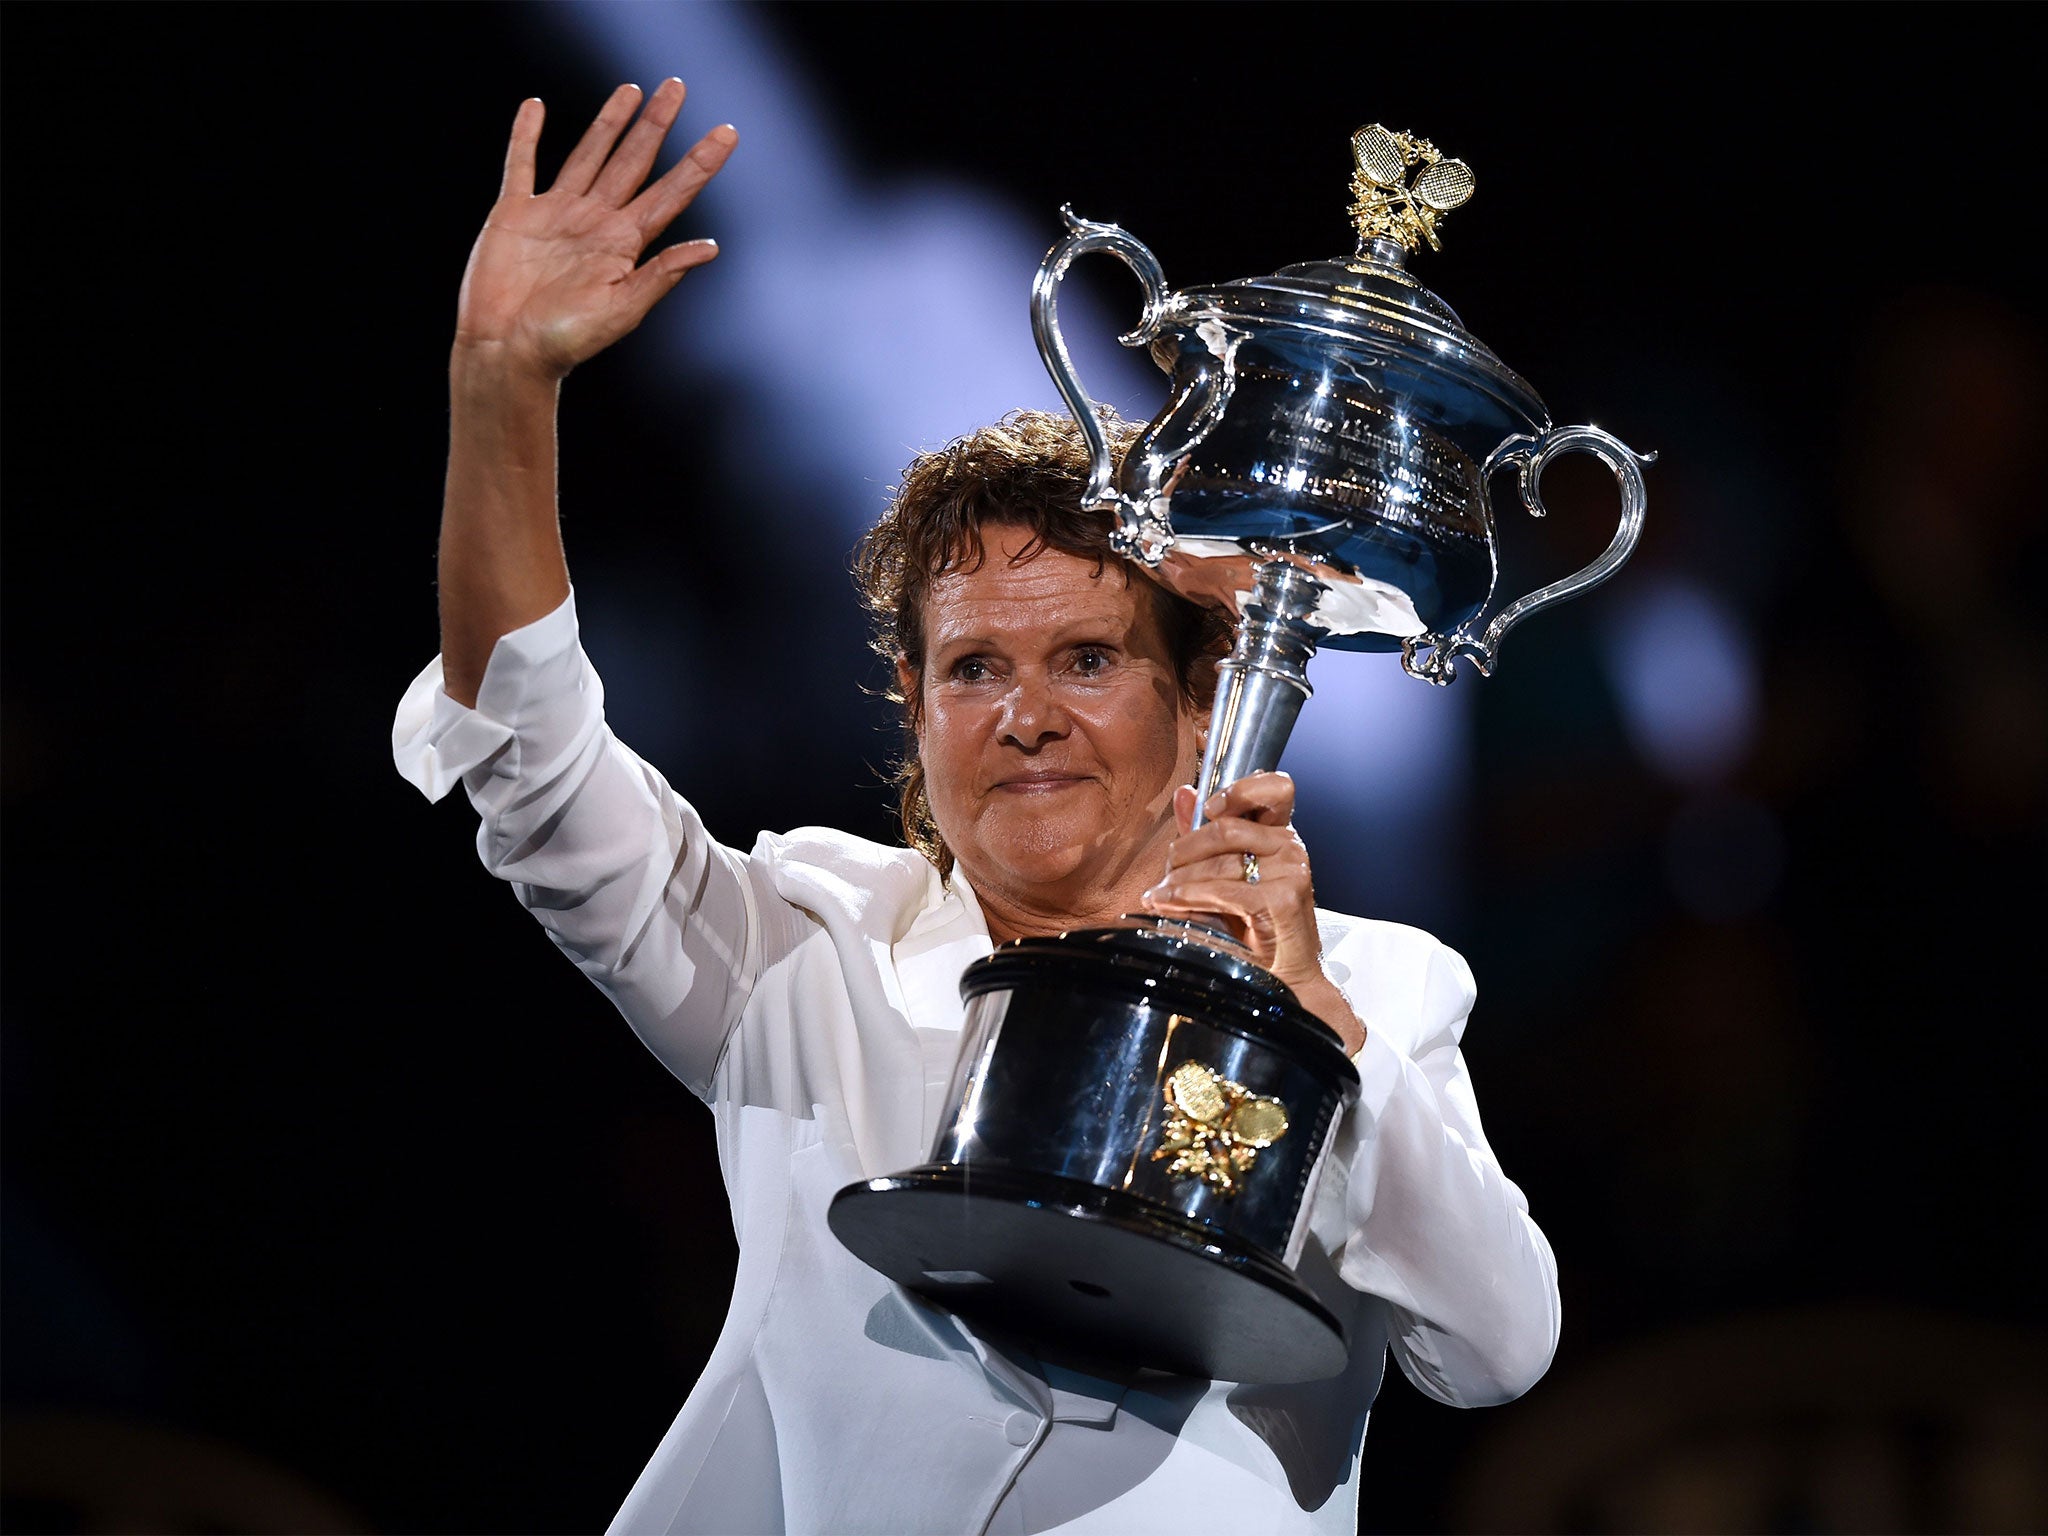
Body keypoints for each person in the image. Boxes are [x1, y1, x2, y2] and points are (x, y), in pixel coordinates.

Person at [394, 78, 1560, 1535]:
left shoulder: (1379, 990)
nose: (1025, 715)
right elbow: (534, 763)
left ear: (1195, 701)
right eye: (973, 668)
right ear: (912, 698)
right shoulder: (804, 956)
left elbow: (1498, 1351)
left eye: (1087, 658)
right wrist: (499, 386)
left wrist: (1320, 1026)